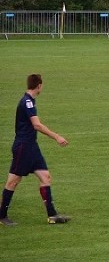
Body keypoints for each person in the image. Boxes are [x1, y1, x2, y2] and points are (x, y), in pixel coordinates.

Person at [0, 74, 70, 226]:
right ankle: (2, 216)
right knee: (13, 181)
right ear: (39, 85)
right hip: (23, 147)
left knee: (45, 177)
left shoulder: (30, 101)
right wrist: (56, 137)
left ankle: (52, 215)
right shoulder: (27, 102)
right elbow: (36, 125)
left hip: (31, 146)